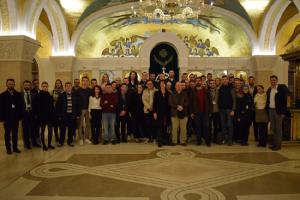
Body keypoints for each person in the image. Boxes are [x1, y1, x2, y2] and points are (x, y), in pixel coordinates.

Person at [0, 79, 23, 154]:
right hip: (7, 118)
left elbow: (20, 107)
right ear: (6, 85)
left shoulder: (18, 94)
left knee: (15, 134)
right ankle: (8, 149)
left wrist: (20, 117)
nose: (11, 85)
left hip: (15, 118)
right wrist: (2, 118)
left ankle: (15, 147)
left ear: (14, 84)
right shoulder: (2, 95)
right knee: (7, 134)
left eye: (12, 84)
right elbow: (1, 108)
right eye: (9, 84)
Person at [266, 75, 289, 151]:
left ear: (277, 81)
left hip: (278, 111)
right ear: (270, 81)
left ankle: (278, 145)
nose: (273, 81)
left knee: (278, 129)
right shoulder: (269, 89)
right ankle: (274, 144)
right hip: (271, 110)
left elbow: (284, 102)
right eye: (271, 80)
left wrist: (283, 113)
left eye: (274, 80)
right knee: (273, 128)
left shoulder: (281, 89)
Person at [56, 82, 81, 147]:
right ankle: (61, 142)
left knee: (71, 129)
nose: (68, 87)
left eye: (69, 86)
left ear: (71, 87)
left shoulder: (75, 95)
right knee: (62, 129)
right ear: (65, 87)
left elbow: (78, 105)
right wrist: (59, 115)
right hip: (64, 115)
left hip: (72, 115)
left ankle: (70, 141)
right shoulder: (61, 95)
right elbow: (58, 106)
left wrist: (78, 114)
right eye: (66, 86)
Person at [35, 82, 55, 151]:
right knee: (42, 131)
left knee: (50, 131)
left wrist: (53, 115)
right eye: (43, 86)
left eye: (46, 86)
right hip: (42, 117)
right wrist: (37, 116)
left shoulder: (49, 95)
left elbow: (52, 107)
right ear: (41, 87)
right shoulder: (38, 95)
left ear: (48, 87)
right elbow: (37, 108)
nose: (45, 87)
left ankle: (49, 144)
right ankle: (44, 145)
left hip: (50, 116)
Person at [191, 79, 212, 146]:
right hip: (197, 113)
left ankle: (207, 141)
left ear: (201, 83)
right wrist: (192, 112)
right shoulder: (193, 92)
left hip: (205, 112)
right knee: (198, 127)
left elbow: (210, 102)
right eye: (197, 81)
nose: (198, 82)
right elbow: (191, 103)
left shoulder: (206, 91)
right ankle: (199, 141)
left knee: (206, 127)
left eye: (199, 81)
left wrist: (210, 111)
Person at [169, 82, 189, 146]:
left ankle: (182, 141)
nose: (179, 87)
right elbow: (170, 102)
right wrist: (177, 106)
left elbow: (187, 102)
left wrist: (182, 106)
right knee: (174, 128)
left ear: (182, 87)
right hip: (175, 113)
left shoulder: (185, 94)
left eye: (180, 85)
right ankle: (174, 141)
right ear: (175, 86)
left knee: (183, 128)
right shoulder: (172, 93)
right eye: (177, 85)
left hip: (184, 113)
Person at [218, 75, 236, 146]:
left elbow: (234, 100)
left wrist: (233, 110)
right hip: (221, 109)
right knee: (223, 125)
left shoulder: (231, 88)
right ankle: (224, 139)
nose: (224, 80)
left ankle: (230, 140)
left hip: (229, 109)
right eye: (223, 79)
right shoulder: (220, 88)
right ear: (221, 80)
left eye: (226, 79)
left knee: (229, 125)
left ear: (228, 80)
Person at [153, 81, 171, 147]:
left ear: (165, 85)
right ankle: (159, 141)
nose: (162, 85)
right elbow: (154, 104)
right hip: (159, 113)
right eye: (161, 84)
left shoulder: (168, 93)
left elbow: (170, 104)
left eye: (163, 84)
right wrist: (154, 112)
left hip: (166, 113)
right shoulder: (156, 93)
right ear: (159, 85)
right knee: (159, 127)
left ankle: (164, 140)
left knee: (165, 127)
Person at [78, 76, 93, 145]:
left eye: (86, 81)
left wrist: (90, 111)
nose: (85, 82)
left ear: (88, 82)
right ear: (82, 81)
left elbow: (91, 101)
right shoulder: (78, 90)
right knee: (80, 125)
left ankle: (86, 138)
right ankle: (81, 138)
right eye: (83, 80)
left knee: (88, 124)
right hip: (80, 110)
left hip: (87, 110)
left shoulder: (90, 90)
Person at [21, 80, 35, 149]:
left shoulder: (33, 94)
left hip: (32, 114)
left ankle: (33, 142)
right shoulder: (20, 95)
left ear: (30, 86)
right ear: (23, 86)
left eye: (28, 85)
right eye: (25, 85)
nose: (27, 86)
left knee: (33, 129)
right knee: (25, 130)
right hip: (24, 115)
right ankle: (27, 144)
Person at [52, 79, 64, 143]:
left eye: (59, 83)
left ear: (61, 84)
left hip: (62, 110)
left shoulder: (63, 91)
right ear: (55, 84)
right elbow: (51, 101)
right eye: (57, 83)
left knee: (61, 125)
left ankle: (61, 137)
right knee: (56, 125)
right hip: (55, 110)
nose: (58, 84)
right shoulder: (53, 91)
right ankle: (56, 137)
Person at [208, 79, 221, 144]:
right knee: (209, 126)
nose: (212, 84)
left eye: (213, 83)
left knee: (216, 126)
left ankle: (215, 139)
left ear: (215, 84)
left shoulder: (218, 91)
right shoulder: (207, 92)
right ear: (209, 84)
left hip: (217, 111)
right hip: (210, 112)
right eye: (211, 83)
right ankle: (209, 139)